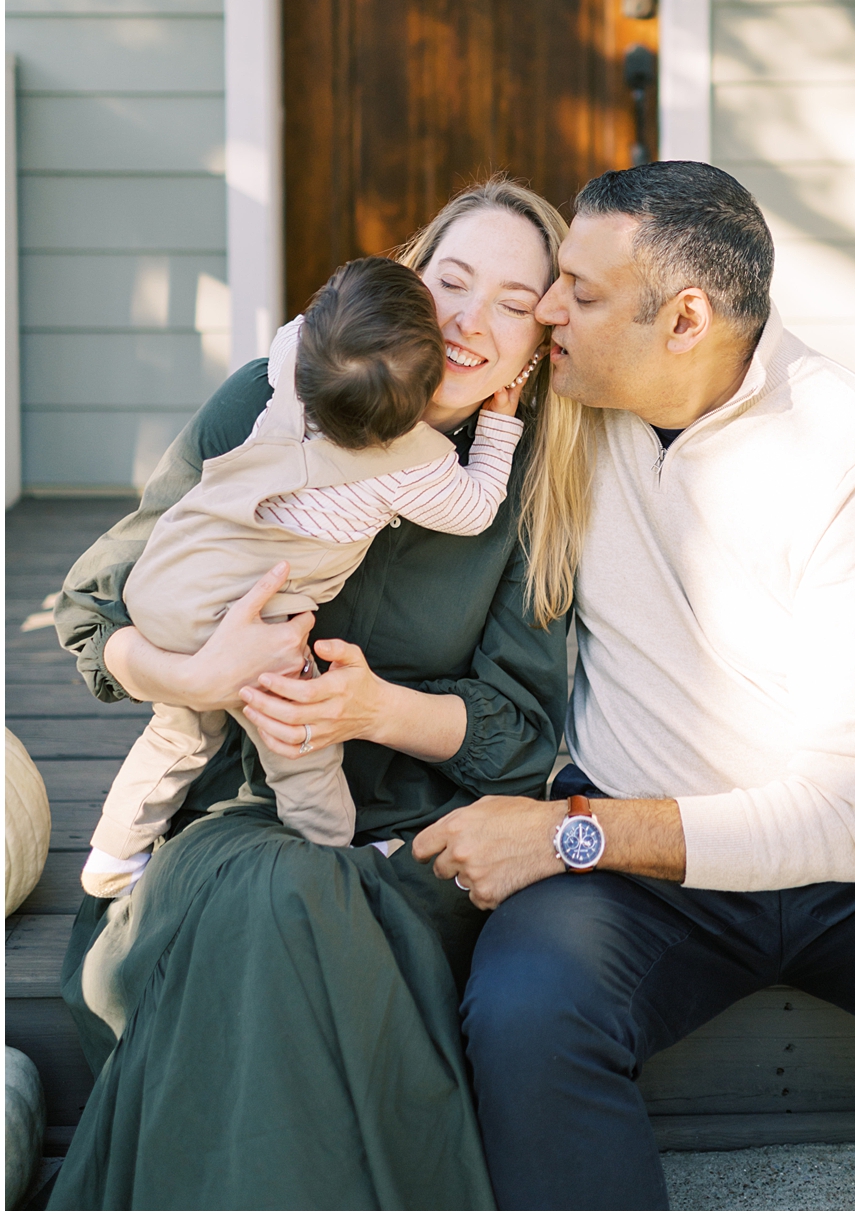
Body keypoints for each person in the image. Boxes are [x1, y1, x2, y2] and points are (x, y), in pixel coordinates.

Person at [414, 161, 855, 1214]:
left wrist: (568, 833)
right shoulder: (568, 396)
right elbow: (380, 384)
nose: (546, 311)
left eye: (580, 294)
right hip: (640, 868)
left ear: (685, 320)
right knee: (526, 1012)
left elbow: (848, 819)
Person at [49, 178, 592, 1212]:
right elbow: (93, 610)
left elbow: (521, 740)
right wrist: (195, 677)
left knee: (308, 907)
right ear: (405, 281)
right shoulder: (279, 391)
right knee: (280, 894)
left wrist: (371, 710)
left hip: (422, 846)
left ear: (537, 344)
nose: (470, 322)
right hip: (242, 806)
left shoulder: (526, 484)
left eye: (515, 302)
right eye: (451, 280)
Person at [84, 255, 532, 897]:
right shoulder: (411, 462)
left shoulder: (293, 366)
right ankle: (333, 852)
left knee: (179, 731)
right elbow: (477, 505)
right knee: (300, 742)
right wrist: (498, 425)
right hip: (243, 617)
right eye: (447, 289)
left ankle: (111, 853)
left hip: (168, 574)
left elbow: (309, 325)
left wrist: (351, 308)